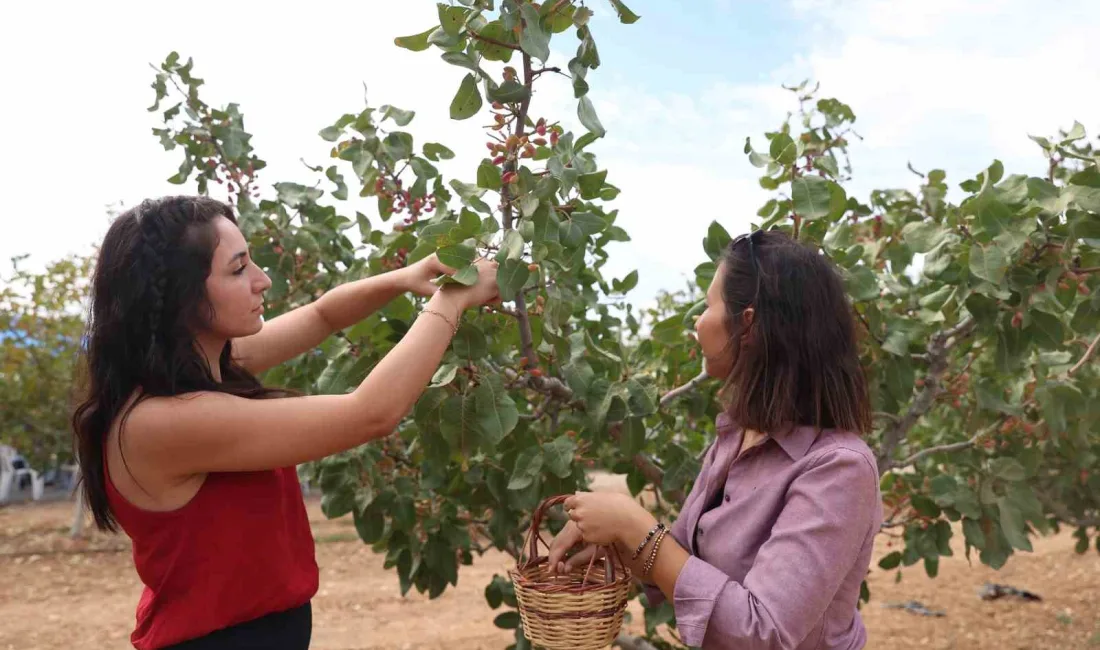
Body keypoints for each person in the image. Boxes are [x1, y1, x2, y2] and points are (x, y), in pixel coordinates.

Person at [70, 195, 499, 650]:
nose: (262, 280)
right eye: (238, 270)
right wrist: (452, 302)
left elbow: (322, 316)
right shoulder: (163, 421)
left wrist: (405, 278)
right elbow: (371, 413)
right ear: (181, 296)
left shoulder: (202, 366)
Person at [548, 229, 883, 650]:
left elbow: (764, 632)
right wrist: (614, 538)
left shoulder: (840, 468)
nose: (697, 321)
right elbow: (679, 559)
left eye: (709, 305)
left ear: (748, 324)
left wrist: (634, 523)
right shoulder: (737, 436)